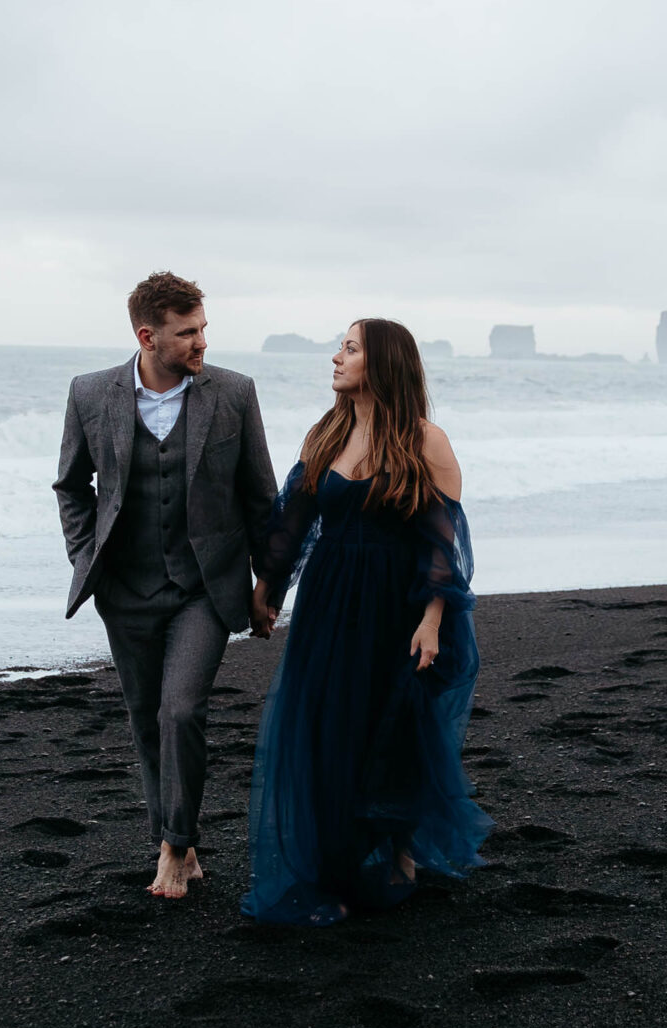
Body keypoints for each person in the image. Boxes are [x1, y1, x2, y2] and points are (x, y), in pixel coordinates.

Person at [242, 319, 492, 924]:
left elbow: (441, 543)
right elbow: (293, 521)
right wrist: (266, 586)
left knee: (393, 724)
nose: (336, 356)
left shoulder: (425, 441)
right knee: (328, 719)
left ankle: (399, 851)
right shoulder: (326, 434)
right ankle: (336, 854)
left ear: (381, 364)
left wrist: (433, 619)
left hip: (398, 604)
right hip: (330, 600)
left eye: (350, 348)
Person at [54, 271, 282, 898]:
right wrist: (85, 554)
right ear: (148, 336)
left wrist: (271, 585)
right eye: (188, 334)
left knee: (180, 709)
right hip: (124, 590)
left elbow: (261, 498)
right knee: (145, 718)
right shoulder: (90, 393)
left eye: (204, 328)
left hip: (205, 588)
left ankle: (175, 847)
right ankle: (175, 835)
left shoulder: (233, 393)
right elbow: (72, 486)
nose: (202, 342)